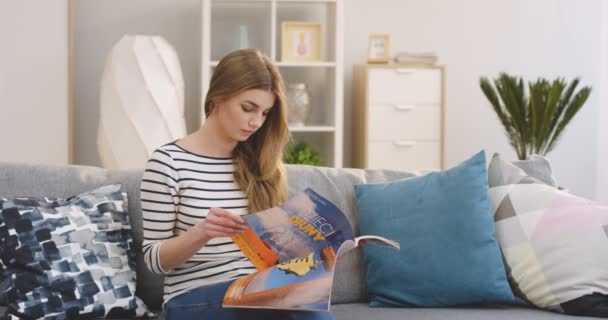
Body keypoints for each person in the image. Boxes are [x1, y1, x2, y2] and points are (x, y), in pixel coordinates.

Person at [140, 48, 335, 320]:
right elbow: (153, 260)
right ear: (218, 97)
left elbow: (276, 252)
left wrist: (313, 249)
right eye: (248, 108)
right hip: (192, 299)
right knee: (296, 299)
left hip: (260, 291)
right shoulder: (168, 162)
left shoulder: (262, 165)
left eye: (265, 113)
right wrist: (202, 232)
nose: (256, 122)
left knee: (303, 293)